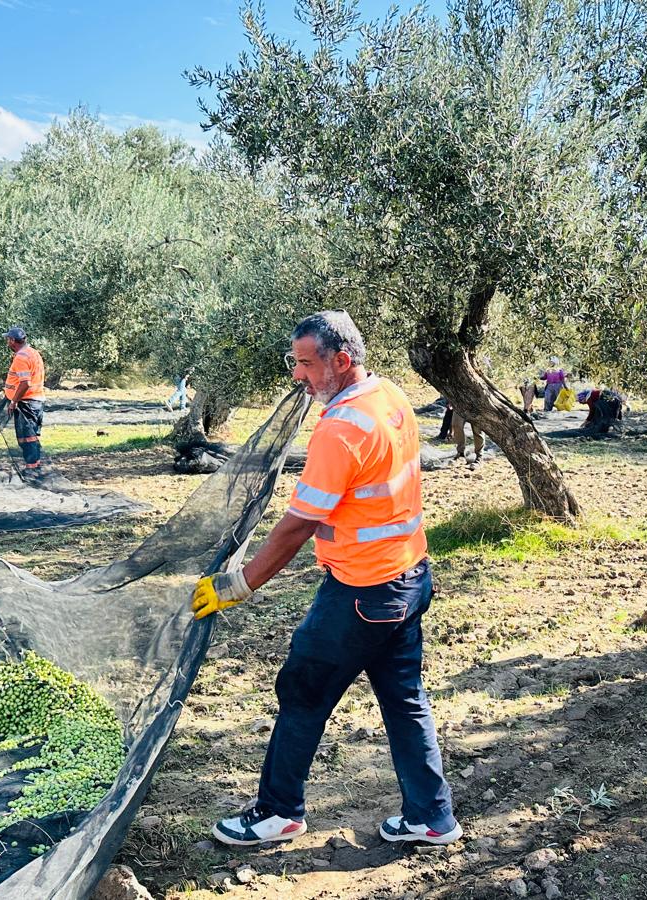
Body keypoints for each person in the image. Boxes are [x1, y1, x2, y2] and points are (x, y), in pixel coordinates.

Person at [191, 310, 460, 848]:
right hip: (409, 579)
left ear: (342, 361)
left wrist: (238, 585)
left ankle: (277, 812)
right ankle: (432, 817)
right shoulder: (389, 396)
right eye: (296, 364)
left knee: (303, 692)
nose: (299, 376)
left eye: (307, 364)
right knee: (404, 698)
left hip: (362, 594)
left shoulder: (340, 429)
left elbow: (295, 528)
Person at [1, 326, 46, 472]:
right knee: (31, 436)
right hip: (36, 400)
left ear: (13, 340)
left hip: (26, 402)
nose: (7, 342)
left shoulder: (21, 357)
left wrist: (14, 401)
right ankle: (35, 466)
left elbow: (25, 382)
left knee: (27, 438)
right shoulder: (33, 353)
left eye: (8, 339)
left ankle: (32, 469)